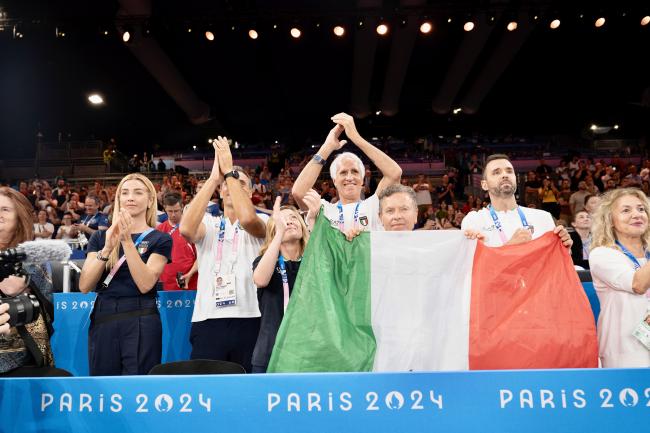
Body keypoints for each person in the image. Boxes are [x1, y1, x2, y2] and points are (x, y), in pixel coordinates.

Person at [180, 136, 268, 373]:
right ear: (219, 191)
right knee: (206, 389)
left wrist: (230, 172)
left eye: (241, 184)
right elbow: (186, 230)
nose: (232, 186)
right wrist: (214, 178)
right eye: (227, 184)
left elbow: (248, 219)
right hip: (208, 317)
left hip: (251, 315)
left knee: (248, 389)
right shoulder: (208, 222)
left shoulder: (265, 221)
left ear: (250, 193)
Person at [79, 174, 172, 376]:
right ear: (118, 199)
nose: (130, 197)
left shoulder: (160, 239)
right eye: (125, 192)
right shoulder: (100, 237)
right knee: (103, 386)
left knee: (138, 388)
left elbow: (146, 284)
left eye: (138, 192)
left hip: (141, 318)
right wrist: (107, 249)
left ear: (150, 201)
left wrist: (127, 241)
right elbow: (85, 286)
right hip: (103, 318)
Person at [292, 113, 402, 240]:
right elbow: (298, 192)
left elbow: (394, 174)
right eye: (343, 173)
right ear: (334, 181)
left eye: (355, 172)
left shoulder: (373, 205)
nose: (349, 177)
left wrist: (356, 138)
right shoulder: (324, 209)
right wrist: (326, 147)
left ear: (362, 180)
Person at [0, 187, 69, 377]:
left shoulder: (30, 260)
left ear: (19, 218)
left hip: (24, 359)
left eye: (5, 209)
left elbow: (12, 287)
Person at [589, 188, 650, 368]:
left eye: (641, 209)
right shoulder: (602, 254)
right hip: (625, 350)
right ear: (610, 220)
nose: (636, 214)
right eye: (626, 210)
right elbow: (638, 284)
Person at [462, 154, 572, 248]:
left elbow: (552, 264)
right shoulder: (474, 221)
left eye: (509, 171)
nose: (505, 175)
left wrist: (563, 249)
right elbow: (472, 265)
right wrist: (511, 246)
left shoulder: (543, 218)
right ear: (484, 185)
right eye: (496, 172)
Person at [251, 197, 309, 373]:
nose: (289, 222)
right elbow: (260, 280)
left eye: (293, 218)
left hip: (309, 350)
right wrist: (279, 235)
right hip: (271, 350)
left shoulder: (313, 261)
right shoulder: (265, 261)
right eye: (282, 220)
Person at [156, 192, 198, 291]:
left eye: (176, 211)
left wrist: (190, 273)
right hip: (166, 285)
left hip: (190, 283)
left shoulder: (191, 228)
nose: (173, 214)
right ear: (164, 209)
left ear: (182, 207)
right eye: (170, 211)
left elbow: (201, 256)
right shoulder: (159, 230)